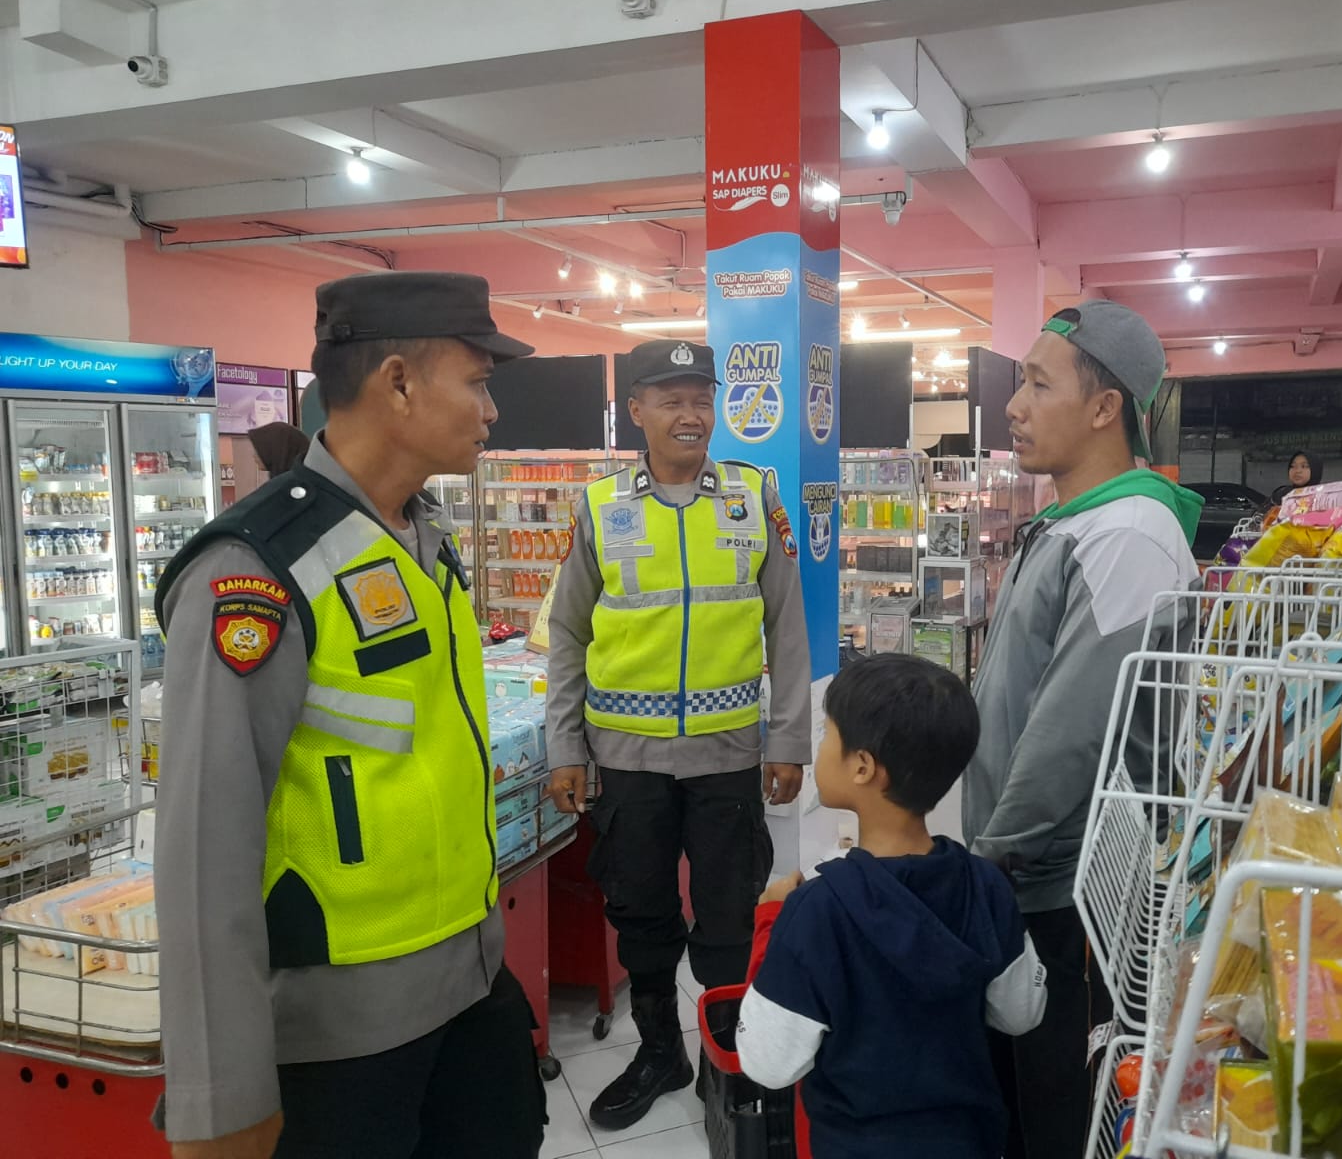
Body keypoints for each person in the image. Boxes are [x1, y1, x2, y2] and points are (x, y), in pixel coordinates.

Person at [152, 272, 546, 1159]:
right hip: (339, 1036)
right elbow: (203, 850)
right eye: (478, 382)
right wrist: (222, 1094)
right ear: (398, 383)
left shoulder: (423, 541)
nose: (491, 411)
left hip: (470, 984)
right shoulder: (256, 572)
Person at [545, 338, 811, 1132]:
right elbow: (567, 634)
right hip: (625, 758)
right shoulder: (601, 506)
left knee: (728, 915)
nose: (689, 415)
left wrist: (789, 738)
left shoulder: (753, 497)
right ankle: (661, 1049)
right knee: (642, 911)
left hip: (728, 753)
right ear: (637, 410)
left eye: (701, 398)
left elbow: (787, 626)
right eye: (671, 400)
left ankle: (725, 1055)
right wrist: (565, 746)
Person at [964, 301, 1203, 1157]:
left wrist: (992, 861)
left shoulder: (1129, 535)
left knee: (1057, 1109)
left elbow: (1070, 733)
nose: (1013, 406)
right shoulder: (1077, 521)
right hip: (1031, 879)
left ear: (1106, 408)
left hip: (1064, 891)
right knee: (1017, 1097)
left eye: (1038, 384)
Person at [737, 654, 1048, 1159]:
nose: (820, 747)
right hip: (970, 1141)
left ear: (863, 767)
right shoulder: (986, 887)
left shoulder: (817, 911)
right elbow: (1021, 1013)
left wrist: (770, 919)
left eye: (828, 734)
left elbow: (768, 1063)